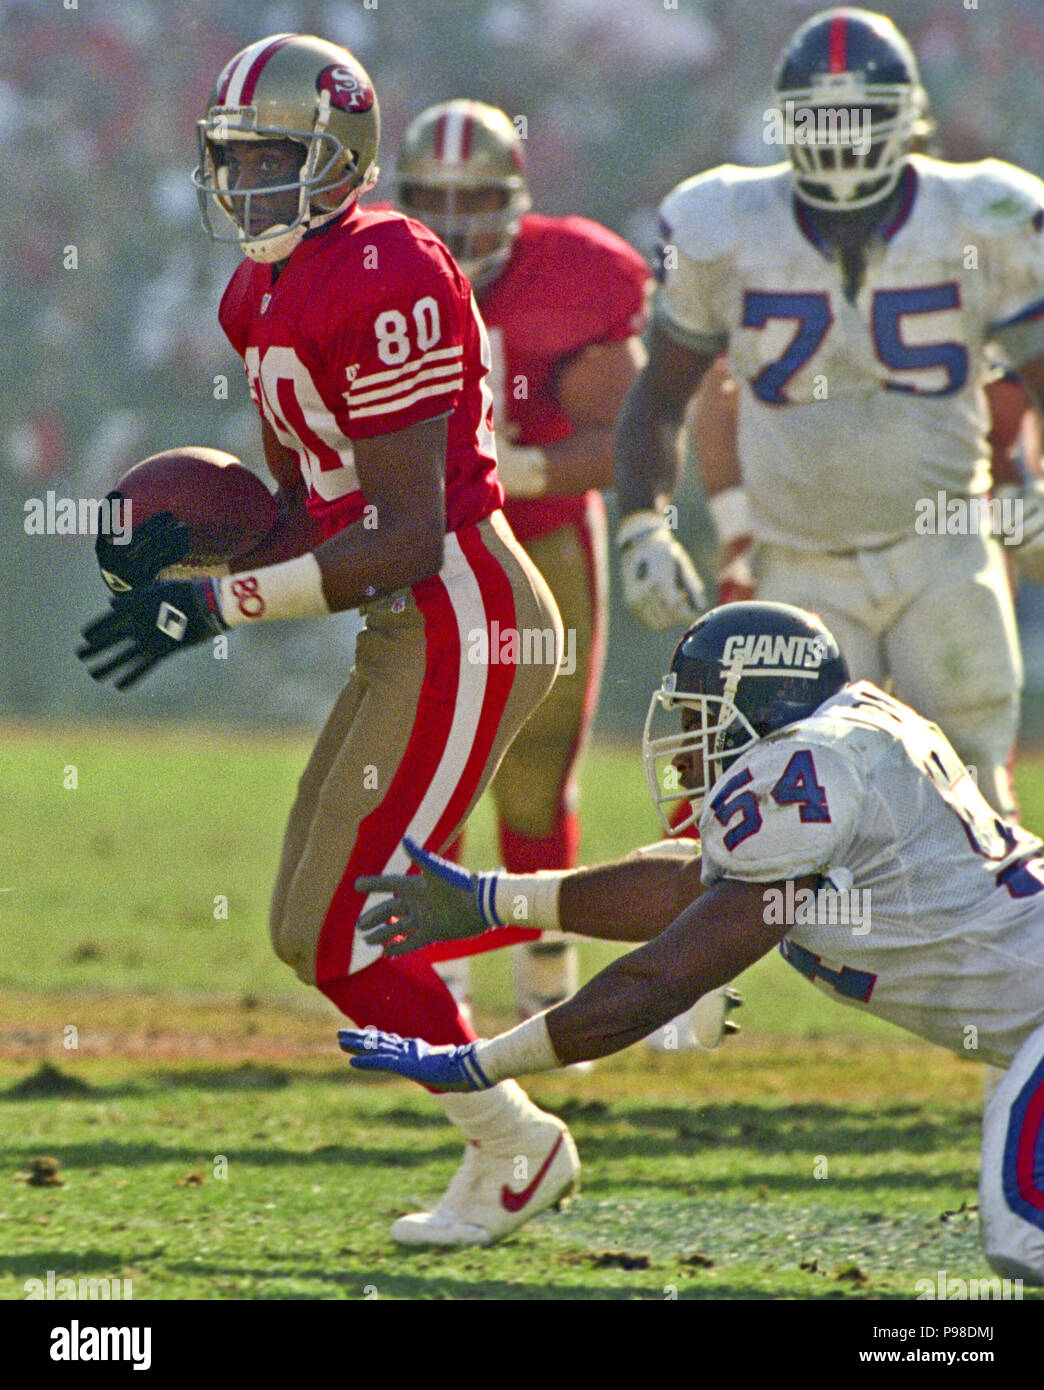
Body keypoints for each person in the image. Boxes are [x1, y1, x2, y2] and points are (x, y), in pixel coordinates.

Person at [77, 32, 581, 1248]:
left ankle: (519, 1142)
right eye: (232, 162)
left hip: (469, 611)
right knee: (310, 933)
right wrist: (191, 560)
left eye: (272, 159)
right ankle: (514, 1129)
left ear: (340, 156)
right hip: (408, 622)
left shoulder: (388, 265)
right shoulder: (254, 291)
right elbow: (316, 516)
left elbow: (407, 535)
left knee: (354, 923)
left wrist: (216, 611)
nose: (247, 186)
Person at [339, 600, 1044, 1283]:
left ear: (759, 706)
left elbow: (654, 984)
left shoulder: (811, 770)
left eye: (697, 718)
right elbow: (684, 888)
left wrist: (479, 1063)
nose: (681, 757)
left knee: (1020, 1230)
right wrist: (491, 900)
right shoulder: (839, 743)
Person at [613, 5, 1044, 821]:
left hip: (943, 549)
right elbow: (660, 394)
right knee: (804, 816)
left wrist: (1032, 486)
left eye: (861, 120)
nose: (842, 142)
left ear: (908, 121)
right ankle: (857, 956)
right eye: (821, 121)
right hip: (798, 564)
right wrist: (642, 522)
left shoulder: (982, 215)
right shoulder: (727, 222)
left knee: (973, 797)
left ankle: (986, 951)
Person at [391, 99, 648, 1028]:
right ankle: (441, 982)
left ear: (516, 202)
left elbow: (625, 442)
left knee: (535, 772)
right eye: (433, 200)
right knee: (435, 765)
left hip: (541, 538)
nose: (455, 225)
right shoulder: (370, 271)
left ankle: (545, 976)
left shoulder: (577, 274)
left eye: (476, 200)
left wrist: (508, 467)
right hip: (430, 547)